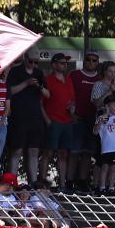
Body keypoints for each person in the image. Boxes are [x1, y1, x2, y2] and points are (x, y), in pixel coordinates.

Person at [7, 52, 49, 184]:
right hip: (19, 116)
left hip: (35, 117)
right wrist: (26, 83)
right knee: (16, 150)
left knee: (33, 151)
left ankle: (33, 183)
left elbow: (48, 94)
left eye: (36, 62)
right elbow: (10, 91)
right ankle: (11, 183)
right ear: (25, 59)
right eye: (31, 61)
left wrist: (39, 86)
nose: (34, 65)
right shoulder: (15, 71)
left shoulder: (39, 73)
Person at [41, 53, 76, 190]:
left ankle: (62, 185)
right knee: (47, 153)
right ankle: (42, 183)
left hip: (67, 121)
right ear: (54, 64)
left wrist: (72, 107)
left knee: (63, 154)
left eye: (66, 63)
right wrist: (47, 121)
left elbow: (73, 100)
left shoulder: (68, 80)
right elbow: (41, 103)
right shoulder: (47, 80)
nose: (65, 65)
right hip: (53, 121)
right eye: (62, 63)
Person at [69, 51, 100, 191]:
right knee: (74, 151)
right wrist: (72, 113)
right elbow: (68, 94)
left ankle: (82, 181)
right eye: (89, 59)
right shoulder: (74, 75)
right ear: (84, 60)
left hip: (93, 120)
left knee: (88, 152)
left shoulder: (100, 78)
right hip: (77, 118)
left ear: (98, 62)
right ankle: (69, 181)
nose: (91, 62)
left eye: (94, 60)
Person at [94, 97, 115, 194]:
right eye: (113, 105)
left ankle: (112, 188)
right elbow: (95, 132)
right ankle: (102, 187)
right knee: (104, 167)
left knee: (113, 168)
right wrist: (100, 122)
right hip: (106, 147)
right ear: (107, 106)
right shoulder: (101, 118)